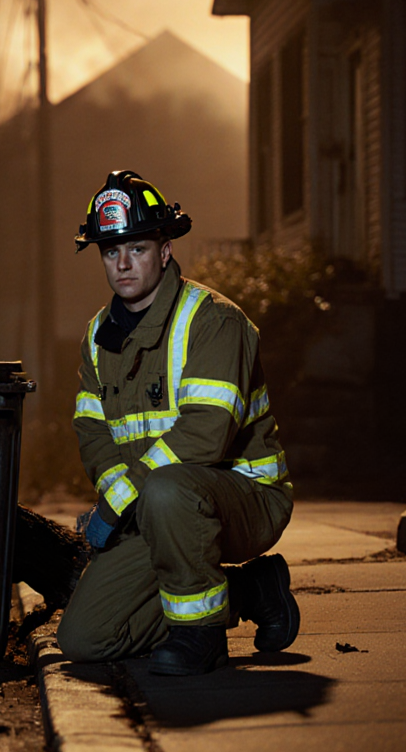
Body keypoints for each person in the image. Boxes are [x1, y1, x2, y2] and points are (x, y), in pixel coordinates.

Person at [58, 169, 299, 676]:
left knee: (169, 491)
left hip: (243, 498)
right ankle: (251, 590)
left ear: (164, 251)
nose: (122, 264)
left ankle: (201, 635)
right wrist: (117, 504)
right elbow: (93, 432)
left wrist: (119, 502)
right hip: (155, 506)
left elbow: (204, 436)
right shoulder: (97, 337)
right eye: (109, 252)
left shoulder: (213, 320)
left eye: (137, 248)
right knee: (84, 639)